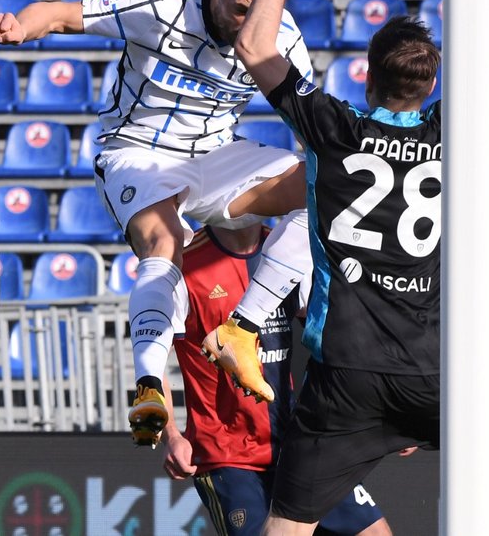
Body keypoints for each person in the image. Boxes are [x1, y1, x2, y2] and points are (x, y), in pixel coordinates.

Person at [202, 0, 489, 535]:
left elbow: (256, 47)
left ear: (367, 79)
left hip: (343, 378)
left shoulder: (333, 128)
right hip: (437, 369)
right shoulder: (462, 131)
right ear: (432, 86)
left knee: (288, 527)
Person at [0, 0, 317, 446]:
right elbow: (61, 15)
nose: (249, 21)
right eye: (240, 8)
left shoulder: (279, 35)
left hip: (216, 156)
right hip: (136, 151)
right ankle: (150, 385)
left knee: (324, 183)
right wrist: (20, 27)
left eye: (259, 9)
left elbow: (314, 130)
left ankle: (243, 329)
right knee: (164, 246)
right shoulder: (163, 1)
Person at [163, 222, 392, 535]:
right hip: (228, 455)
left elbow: (332, 334)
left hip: (296, 444)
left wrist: (385, 405)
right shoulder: (183, 265)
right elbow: (151, 359)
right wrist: (172, 434)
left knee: (375, 532)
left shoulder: (289, 250)